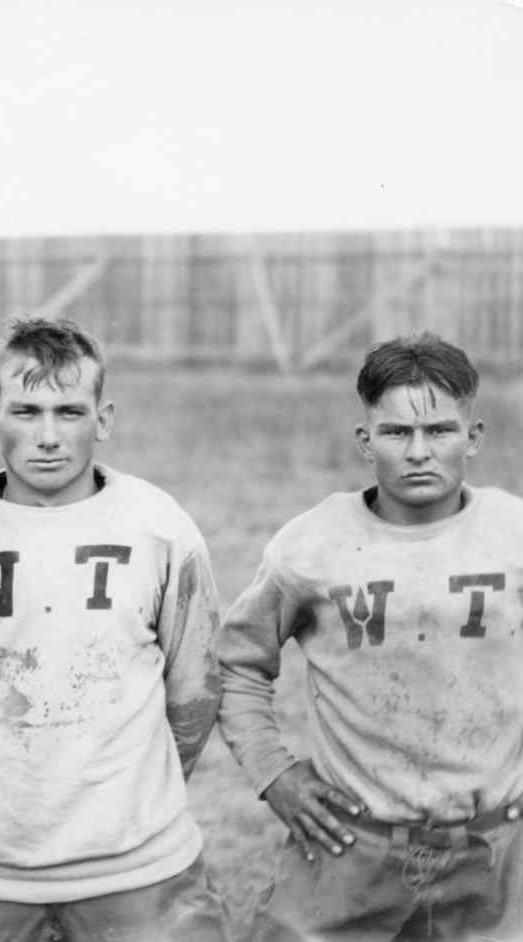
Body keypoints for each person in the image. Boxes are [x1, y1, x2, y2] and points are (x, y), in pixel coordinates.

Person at [0, 317, 231, 942]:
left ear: (104, 420)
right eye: (26, 412)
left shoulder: (158, 526)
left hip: (139, 868)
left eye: (69, 412)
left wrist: (123, 797)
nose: (48, 437)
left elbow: (196, 692)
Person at [219, 333, 523, 940]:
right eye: (395, 433)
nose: (418, 451)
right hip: (352, 845)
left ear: (474, 438)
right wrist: (273, 773)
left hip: (492, 850)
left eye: (439, 431)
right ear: (366, 441)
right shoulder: (313, 545)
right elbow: (238, 665)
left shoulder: (513, 533)